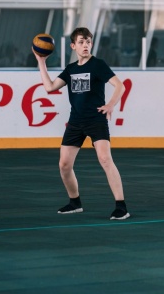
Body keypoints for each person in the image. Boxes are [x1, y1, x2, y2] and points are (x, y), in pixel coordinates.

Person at [33, 27, 130, 220]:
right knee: (64, 165)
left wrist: (110, 105)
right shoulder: (71, 69)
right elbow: (49, 87)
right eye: (81, 42)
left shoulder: (98, 65)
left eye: (88, 42)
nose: (85, 45)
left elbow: (120, 85)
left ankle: (121, 207)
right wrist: (41, 62)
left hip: (96, 119)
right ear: (73, 46)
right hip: (76, 121)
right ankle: (75, 203)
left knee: (105, 159)